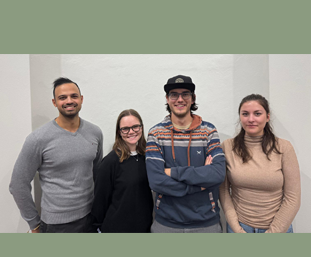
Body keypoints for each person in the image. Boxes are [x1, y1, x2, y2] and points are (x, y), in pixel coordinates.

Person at [9, 77, 103, 233]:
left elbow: (97, 174)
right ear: (54, 102)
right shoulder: (38, 139)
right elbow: (17, 184)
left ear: (81, 99)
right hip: (56, 225)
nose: (69, 101)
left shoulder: (95, 132)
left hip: (90, 218)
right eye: (62, 97)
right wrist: (34, 224)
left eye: (74, 96)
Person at [146, 74, 226, 233]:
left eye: (185, 94)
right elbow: (156, 181)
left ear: (193, 98)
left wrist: (172, 172)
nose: (180, 99)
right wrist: (200, 184)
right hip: (166, 224)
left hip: (206, 224)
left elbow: (217, 173)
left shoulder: (209, 131)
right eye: (174, 94)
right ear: (167, 99)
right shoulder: (156, 134)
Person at [219, 94, 301, 233]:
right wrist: (236, 228)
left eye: (257, 114)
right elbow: (224, 191)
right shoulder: (227, 147)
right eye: (245, 114)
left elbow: (293, 198)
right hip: (239, 228)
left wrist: (273, 232)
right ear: (240, 116)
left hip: (278, 230)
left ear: (267, 117)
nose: (251, 119)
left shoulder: (284, 147)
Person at [90, 109, 153, 233]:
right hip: (117, 229)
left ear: (141, 128)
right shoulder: (110, 162)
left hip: (144, 227)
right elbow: (100, 201)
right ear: (119, 132)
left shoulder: (148, 156)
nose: (131, 132)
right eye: (125, 129)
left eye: (135, 127)